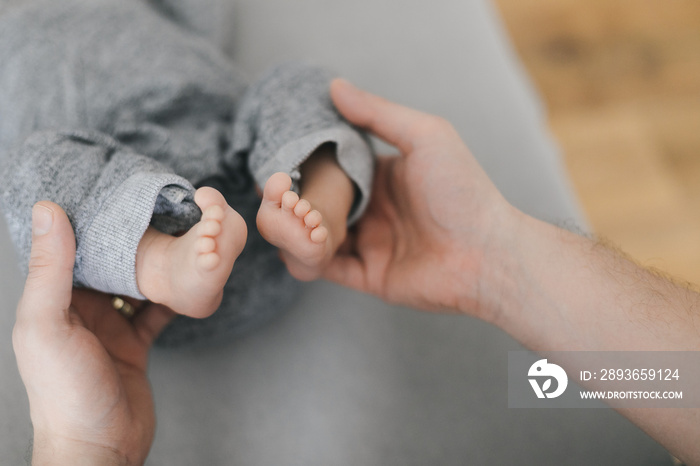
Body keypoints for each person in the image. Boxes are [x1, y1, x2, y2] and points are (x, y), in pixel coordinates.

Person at [14, 80, 700, 465]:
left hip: (151, 246)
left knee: (35, 174)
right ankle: (311, 204)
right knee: (299, 88)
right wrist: (502, 262)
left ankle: (203, 244)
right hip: (225, 218)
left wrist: (83, 448)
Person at [0, 0, 373, 344]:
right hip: (133, 246)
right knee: (35, 172)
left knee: (300, 80)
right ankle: (159, 261)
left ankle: (320, 203)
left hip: (244, 148)